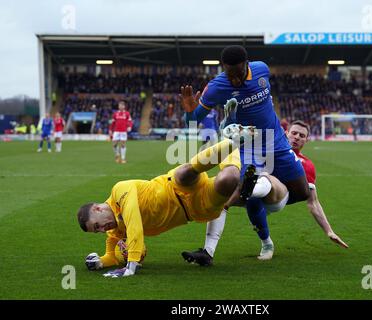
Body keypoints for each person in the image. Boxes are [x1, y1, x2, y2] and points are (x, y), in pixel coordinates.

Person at [180, 45, 310, 261]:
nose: (236, 79)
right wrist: (189, 111)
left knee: (302, 192)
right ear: (224, 69)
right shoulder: (217, 87)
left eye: (239, 74)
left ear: (247, 65)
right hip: (247, 147)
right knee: (242, 193)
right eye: (230, 75)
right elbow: (192, 121)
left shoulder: (262, 69)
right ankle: (214, 250)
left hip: (276, 141)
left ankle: (263, 194)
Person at [77, 126, 255, 277]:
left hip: (175, 186)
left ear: (98, 209)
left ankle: (234, 142)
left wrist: (131, 264)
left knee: (185, 172)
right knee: (229, 178)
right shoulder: (115, 232)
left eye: (97, 226)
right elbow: (112, 256)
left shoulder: (119, 190)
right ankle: (231, 143)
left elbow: (133, 220)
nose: (102, 230)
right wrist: (99, 262)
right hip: (195, 209)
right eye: (97, 231)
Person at [182, 120, 348, 266]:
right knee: (222, 198)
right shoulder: (265, 148)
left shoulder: (305, 165)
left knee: (263, 177)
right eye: (294, 133)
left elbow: (313, 202)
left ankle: (248, 188)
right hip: (253, 195)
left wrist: (329, 231)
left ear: (307, 140)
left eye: (302, 135)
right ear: (285, 133)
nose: (297, 137)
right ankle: (208, 252)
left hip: (279, 196)